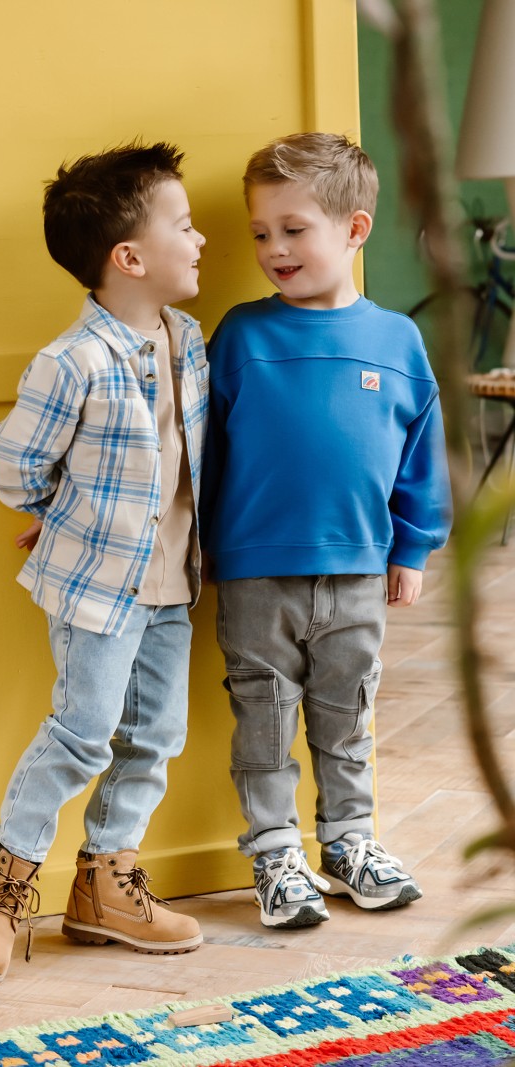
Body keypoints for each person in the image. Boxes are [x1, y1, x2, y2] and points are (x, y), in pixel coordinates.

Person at [0, 141, 209, 982]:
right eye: (186, 224)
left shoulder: (188, 337)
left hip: (172, 577)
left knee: (155, 735)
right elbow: (10, 467)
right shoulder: (73, 361)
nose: (202, 239)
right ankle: (1, 878)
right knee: (83, 731)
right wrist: (57, 513)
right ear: (129, 257)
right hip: (98, 585)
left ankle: (105, 883)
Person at [199, 132, 452, 929]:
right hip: (252, 573)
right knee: (264, 716)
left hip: (356, 572)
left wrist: (410, 545)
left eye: (294, 229)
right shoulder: (240, 336)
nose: (275, 248)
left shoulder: (397, 341)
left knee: (347, 715)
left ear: (354, 228)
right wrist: (190, 542)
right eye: (261, 232)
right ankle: (276, 854)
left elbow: (420, 453)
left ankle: (348, 842)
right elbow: (200, 448)